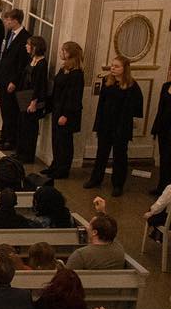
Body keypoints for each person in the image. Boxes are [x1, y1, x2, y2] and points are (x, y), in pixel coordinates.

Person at [85, 55, 142, 196]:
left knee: (119, 156)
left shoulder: (132, 85)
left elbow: (136, 106)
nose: (113, 68)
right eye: (112, 65)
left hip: (121, 125)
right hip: (106, 123)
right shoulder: (106, 81)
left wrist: (129, 121)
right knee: (101, 153)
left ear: (124, 69)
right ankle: (96, 179)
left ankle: (118, 184)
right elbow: (101, 104)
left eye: (116, 66)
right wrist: (98, 123)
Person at [45, 41, 85, 180]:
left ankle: (63, 169)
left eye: (63, 50)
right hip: (58, 108)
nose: (61, 53)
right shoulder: (64, 68)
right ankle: (55, 165)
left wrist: (65, 115)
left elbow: (74, 97)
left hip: (67, 112)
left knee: (64, 142)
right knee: (56, 140)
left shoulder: (77, 74)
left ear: (70, 53)